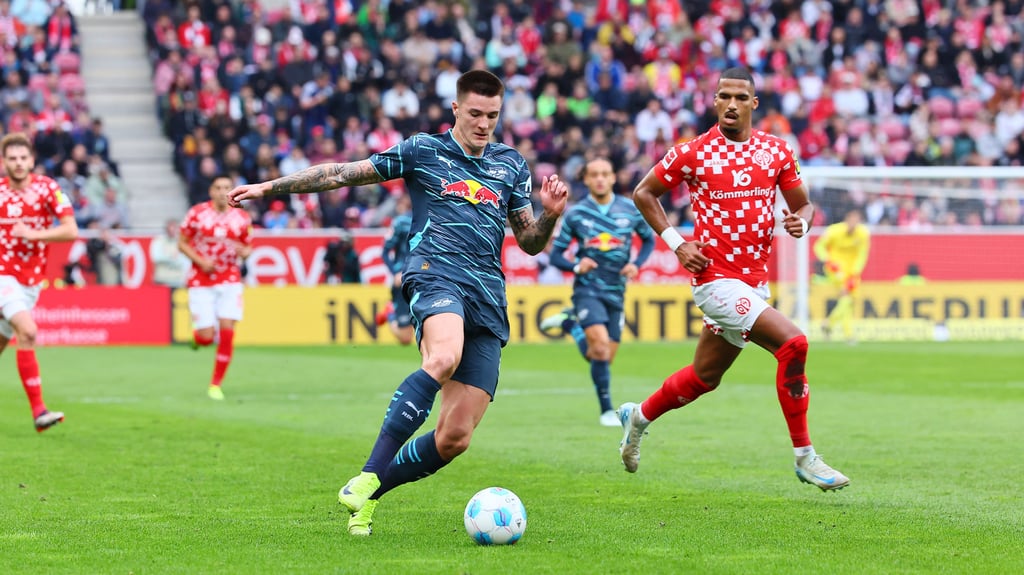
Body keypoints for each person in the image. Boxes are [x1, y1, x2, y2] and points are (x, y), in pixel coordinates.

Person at [228, 69, 569, 536]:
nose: (483, 123)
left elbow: (529, 242)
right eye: (474, 113)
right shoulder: (423, 151)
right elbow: (342, 174)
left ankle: (369, 495)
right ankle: (370, 470)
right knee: (443, 356)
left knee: (455, 438)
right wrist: (269, 188)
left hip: (488, 294)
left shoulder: (511, 164)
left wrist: (549, 216)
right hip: (436, 274)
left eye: (492, 115)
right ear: (456, 109)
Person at [619, 67, 849, 492]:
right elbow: (643, 192)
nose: (731, 104)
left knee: (704, 377)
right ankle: (806, 458)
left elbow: (804, 205)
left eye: (740, 98)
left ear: (753, 104)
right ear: (713, 102)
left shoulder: (776, 151)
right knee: (794, 344)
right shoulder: (692, 152)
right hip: (714, 280)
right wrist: (676, 243)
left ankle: (637, 418)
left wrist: (800, 221)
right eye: (723, 96)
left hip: (754, 284)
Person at [539, 157, 655, 426]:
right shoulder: (577, 214)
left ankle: (570, 324)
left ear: (614, 177)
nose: (600, 178)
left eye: (605, 173)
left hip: (617, 290)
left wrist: (635, 264)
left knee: (601, 356)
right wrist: (577, 265)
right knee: (601, 349)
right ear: (587, 180)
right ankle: (606, 410)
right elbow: (556, 256)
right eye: (595, 175)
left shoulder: (630, 210)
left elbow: (648, 240)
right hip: (587, 289)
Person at [0, 132, 79, 432]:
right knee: (28, 331)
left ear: (32, 160)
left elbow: (70, 230)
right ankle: (39, 412)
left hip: (30, 281)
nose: (19, 164)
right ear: (4, 162)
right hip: (2, 274)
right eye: (12, 159)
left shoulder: (49, 189)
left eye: (23, 158)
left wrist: (34, 235)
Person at [178, 174, 253, 401]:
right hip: (201, 279)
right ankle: (198, 338)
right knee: (207, 337)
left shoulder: (241, 218)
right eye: (218, 187)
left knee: (228, 327)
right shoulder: (196, 214)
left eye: (227, 187)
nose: (223, 191)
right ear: (211, 191)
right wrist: (201, 262)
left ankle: (215, 384)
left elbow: (248, 247)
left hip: (229, 278)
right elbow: (182, 242)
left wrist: (244, 252)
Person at [813, 208, 871, 343]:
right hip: (835, 269)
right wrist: (827, 259)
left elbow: (862, 255)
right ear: (847, 219)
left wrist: (855, 272)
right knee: (847, 297)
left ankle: (830, 325)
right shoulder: (833, 231)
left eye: (857, 220)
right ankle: (846, 333)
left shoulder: (863, 234)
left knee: (849, 301)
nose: (854, 223)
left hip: (852, 272)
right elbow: (818, 246)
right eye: (852, 219)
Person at [375, 193, 414, 345]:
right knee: (405, 338)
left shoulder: (433, 219)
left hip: (425, 276)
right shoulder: (401, 222)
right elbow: (385, 251)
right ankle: (390, 312)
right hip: (404, 277)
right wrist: (395, 272)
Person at [150, 217, 191, 288]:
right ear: (166, 229)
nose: (172, 230)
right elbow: (157, 257)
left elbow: (184, 261)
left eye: (174, 227)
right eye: (170, 227)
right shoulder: (158, 241)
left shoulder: (182, 243)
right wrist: (172, 258)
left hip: (178, 282)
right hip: (161, 281)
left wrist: (168, 258)